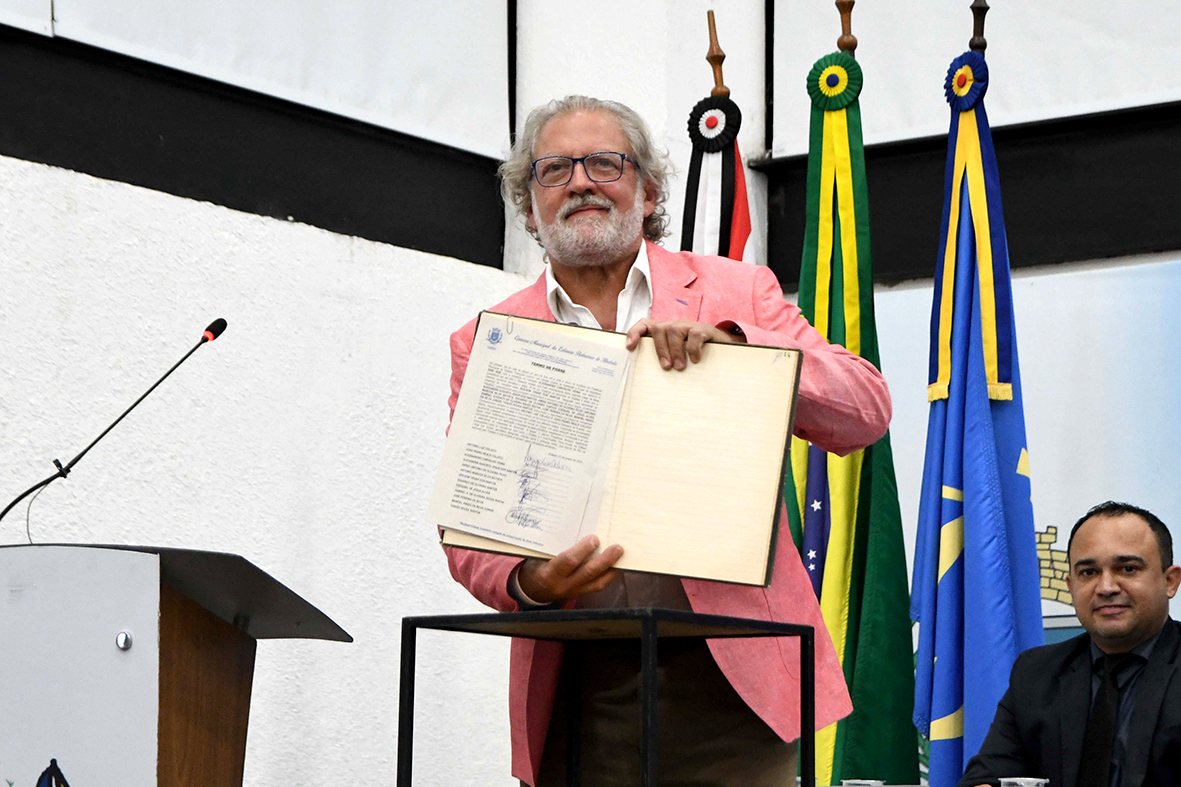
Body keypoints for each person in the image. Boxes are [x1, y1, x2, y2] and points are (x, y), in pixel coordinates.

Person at [443, 95, 892, 786]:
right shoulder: (490, 339)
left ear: (647, 189)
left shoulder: (735, 293)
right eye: (554, 169)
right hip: (578, 682)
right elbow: (470, 524)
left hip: (736, 678)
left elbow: (864, 408)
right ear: (528, 207)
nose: (581, 182)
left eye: (604, 163)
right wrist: (528, 580)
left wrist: (741, 349)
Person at [960, 501, 1181, 787]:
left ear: (1170, 581)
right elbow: (988, 777)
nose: (1106, 587)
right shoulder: (1036, 673)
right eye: (1088, 573)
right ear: (1070, 585)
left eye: (1127, 569)